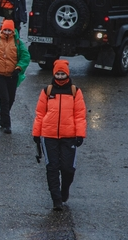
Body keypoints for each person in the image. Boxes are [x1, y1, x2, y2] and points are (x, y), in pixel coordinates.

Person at [32, 59, 87, 211]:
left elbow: (80, 115)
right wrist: (36, 133)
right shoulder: (47, 91)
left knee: (68, 168)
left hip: (69, 136)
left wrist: (80, 134)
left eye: (63, 74)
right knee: (52, 167)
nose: (61, 76)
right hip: (48, 136)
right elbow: (40, 114)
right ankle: (56, 199)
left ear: (67, 74)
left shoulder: (75, 91)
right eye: (58, 73)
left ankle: (64, 190)